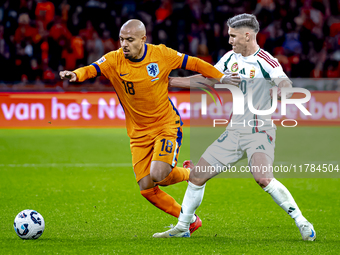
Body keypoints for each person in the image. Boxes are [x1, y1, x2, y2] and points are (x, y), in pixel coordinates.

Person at [59, 19, 239, 235]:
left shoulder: (161, 54)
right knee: (146, 187)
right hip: (138, 134)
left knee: (158, 173)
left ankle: (190, 173)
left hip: (165, 125)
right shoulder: (114, 59)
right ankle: (189, 222)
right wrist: (75, 74)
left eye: (130, 40)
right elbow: (92, 69)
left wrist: (221, 77)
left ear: (143, 39)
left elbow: (195, 64)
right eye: (122, 39)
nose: (124, 44)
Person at [153, 13, 316, 241]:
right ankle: (182, 227)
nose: (229, 40)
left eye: (233, 36)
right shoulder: (230, 58)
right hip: (233, 131)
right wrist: (169, 82)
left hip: (259, 130)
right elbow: (209, 79)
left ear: (247, 35)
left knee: (263, 178)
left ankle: (302, 222)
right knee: (197, 176)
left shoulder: (266, 61)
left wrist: (282, 91)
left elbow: (285, 83)